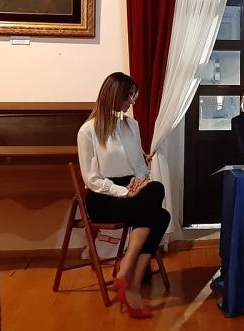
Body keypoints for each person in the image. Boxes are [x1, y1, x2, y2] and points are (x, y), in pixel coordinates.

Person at [77, 72, 170, 319]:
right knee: (159, 215)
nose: (132, 101)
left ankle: (130, 277)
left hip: (132, 188)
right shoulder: (88, 131)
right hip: (104, 196)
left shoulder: (132, 125)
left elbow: (139, 164)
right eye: (129, 96)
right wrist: (125, 192)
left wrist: (140, 181)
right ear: (114, 95)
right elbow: (91, 179)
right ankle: (129, 274)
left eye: (133, 96)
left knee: (156, 191)